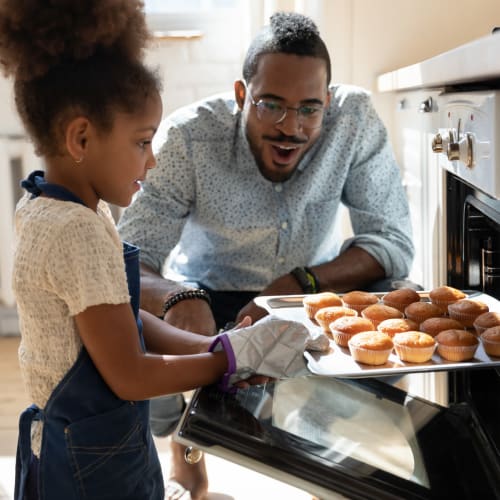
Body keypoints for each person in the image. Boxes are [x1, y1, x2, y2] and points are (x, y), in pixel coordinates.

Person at [0, 2, 314, 499]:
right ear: (81, 137)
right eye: (143, 142)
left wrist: (214, 347)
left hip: (94, 441)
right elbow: (128, 373)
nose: (153, 158)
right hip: (91, 466)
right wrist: (230, 361)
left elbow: (121, 321)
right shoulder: (76, 232)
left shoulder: (56, 207)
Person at [117, 10, 415, 500]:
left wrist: (297, 284)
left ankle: (331, 453)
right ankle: (186, 448)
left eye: (309, 109)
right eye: (271, 105)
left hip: (309, 294)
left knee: (400, 295)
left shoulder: (354, 120)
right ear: (241, 96)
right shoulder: (188, 139)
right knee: (122, 323)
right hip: (206, 299)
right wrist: (178, 295)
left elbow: (391, 242)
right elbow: (130, 256)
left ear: (330, 102)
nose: (290, 128)